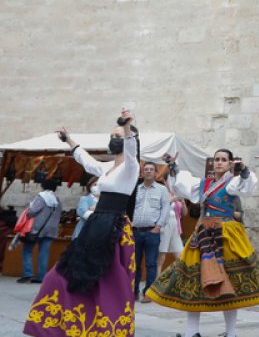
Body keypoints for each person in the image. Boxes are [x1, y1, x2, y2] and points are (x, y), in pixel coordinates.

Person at [25, 108, 140, 337]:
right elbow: (86, 161)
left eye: (118, 136)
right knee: (61, 274)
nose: (114, 139)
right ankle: (65, 323)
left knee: (110, 281)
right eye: (113, 135)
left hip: (114, 228)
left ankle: (107, 328)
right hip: (96, 225)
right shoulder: (107, 168)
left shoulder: (131, 167)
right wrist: (69, 140)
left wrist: (126, 126)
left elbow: (131, 148)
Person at [147, 149, 259, 337]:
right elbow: (182, 185)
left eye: (223, 160)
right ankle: (192, 332)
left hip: (226, 235)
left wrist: (243, 169)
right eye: (216, 159)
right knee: (193, 279)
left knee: (231, 282)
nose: (219, 162)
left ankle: (231, 332)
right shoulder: (203, 184)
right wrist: (174, 166)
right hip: (203, 234)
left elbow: (247, 185)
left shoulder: (232, 182)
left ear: (229, 164)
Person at [132, 162, 172, 302]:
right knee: (134, 263)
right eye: (146, 169)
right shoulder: (135, 189)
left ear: (156, 173)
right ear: (142, 173)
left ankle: (148, 292)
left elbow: (165, 209)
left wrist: (158, 227)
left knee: (151, 263)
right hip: (135, 232)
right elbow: (129, 208)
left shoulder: (161, 190)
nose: (148, 171)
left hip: (152, 232)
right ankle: (134, 292)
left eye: (151, 170)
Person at [18, 178, 63, 284]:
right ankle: (41, 277)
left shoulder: (41, 197)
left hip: (37, 229)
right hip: (51, 230)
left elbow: (33, 211)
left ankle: (28, 274)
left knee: (27, 250)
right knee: (44, 253)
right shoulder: (57, 200)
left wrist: (28, 210)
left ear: (43, 186)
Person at [156, 194, 185, 272]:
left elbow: (184, 213)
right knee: (161, 255)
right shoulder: (162, 190)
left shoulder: (176, 192)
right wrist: (171, 200)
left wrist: (183, 202)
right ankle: (155, 281)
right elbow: (157, 207)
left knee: (180, 254)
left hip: (175, 225)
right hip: (165, 224)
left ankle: (181, 281)